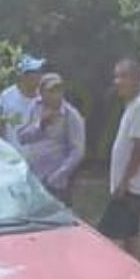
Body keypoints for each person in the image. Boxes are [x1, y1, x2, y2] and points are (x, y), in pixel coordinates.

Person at [99, 58, 140, 256]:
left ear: (139, 79)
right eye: (116, 77)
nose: (118, 81)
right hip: (131, 185)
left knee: (108, 238)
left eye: (124, 76)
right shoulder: (135, 104)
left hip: (132, 187)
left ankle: (115, 278)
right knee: (130, 235)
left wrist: (124, 182)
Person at [16, 73, 86, 205]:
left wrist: (58, 175)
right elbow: (22, 137)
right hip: (33, 177)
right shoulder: (34, 107)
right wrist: (40, 125)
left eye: (59, 90)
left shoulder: (71, 116)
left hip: (55, 183)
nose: (56, 94)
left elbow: (77, 152)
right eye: (51, 90)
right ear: (42, 93)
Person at [0, 53, 46, 149]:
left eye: (39, 72)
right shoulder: (7, 96)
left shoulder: (46, 97)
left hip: (40, 158)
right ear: (24, 76)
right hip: (14, 157)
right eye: (35, 72)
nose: (39, 76)